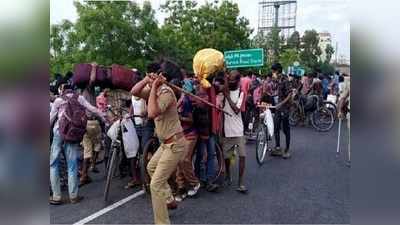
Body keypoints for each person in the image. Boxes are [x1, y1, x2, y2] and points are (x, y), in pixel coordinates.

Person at [131, 60, 186, 225]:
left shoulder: (166, 92)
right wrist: (147, 80)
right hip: (165, 144)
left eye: (158, 73)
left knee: (155, 185)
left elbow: (152, 113)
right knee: (151, 167)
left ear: (163, 76)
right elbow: (134, 91)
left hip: (175, 144)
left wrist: (154, 86)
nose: (155, 74)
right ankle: (169, 198)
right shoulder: (155, 89)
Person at [49, 83, 106, 205]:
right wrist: (104, 117)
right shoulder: (79, 98)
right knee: (72, 165)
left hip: (59, 132)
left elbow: (50, 119)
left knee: (53, 164)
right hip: (72, 133)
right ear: (72, 89)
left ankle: (56, 196)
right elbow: (93, 109)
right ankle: (73, 196)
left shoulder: (58, 100)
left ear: (62, 90)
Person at [221, 70, 247, 193]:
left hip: (238, 130)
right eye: (229, 79)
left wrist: (227, 96)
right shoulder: (224, 90)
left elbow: (237, 110)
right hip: (226, 129)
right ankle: (227, 175)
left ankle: (240, 182)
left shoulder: (241, 92)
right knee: (227, 156)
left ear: (237, 81)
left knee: (242, 156)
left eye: (232, 80)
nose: (230, 82)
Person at [269, 63, 294, 159]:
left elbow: (290, 94)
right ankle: (278, 147)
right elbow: (276, 91)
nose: (272, 73)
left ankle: (287, 149)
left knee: (286, 129)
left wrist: (281, 103)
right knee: (276, 127)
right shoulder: (277, 80)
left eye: (273, 71)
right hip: (278, 108)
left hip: (285, 108)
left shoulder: (285, 79)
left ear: (277, 71)